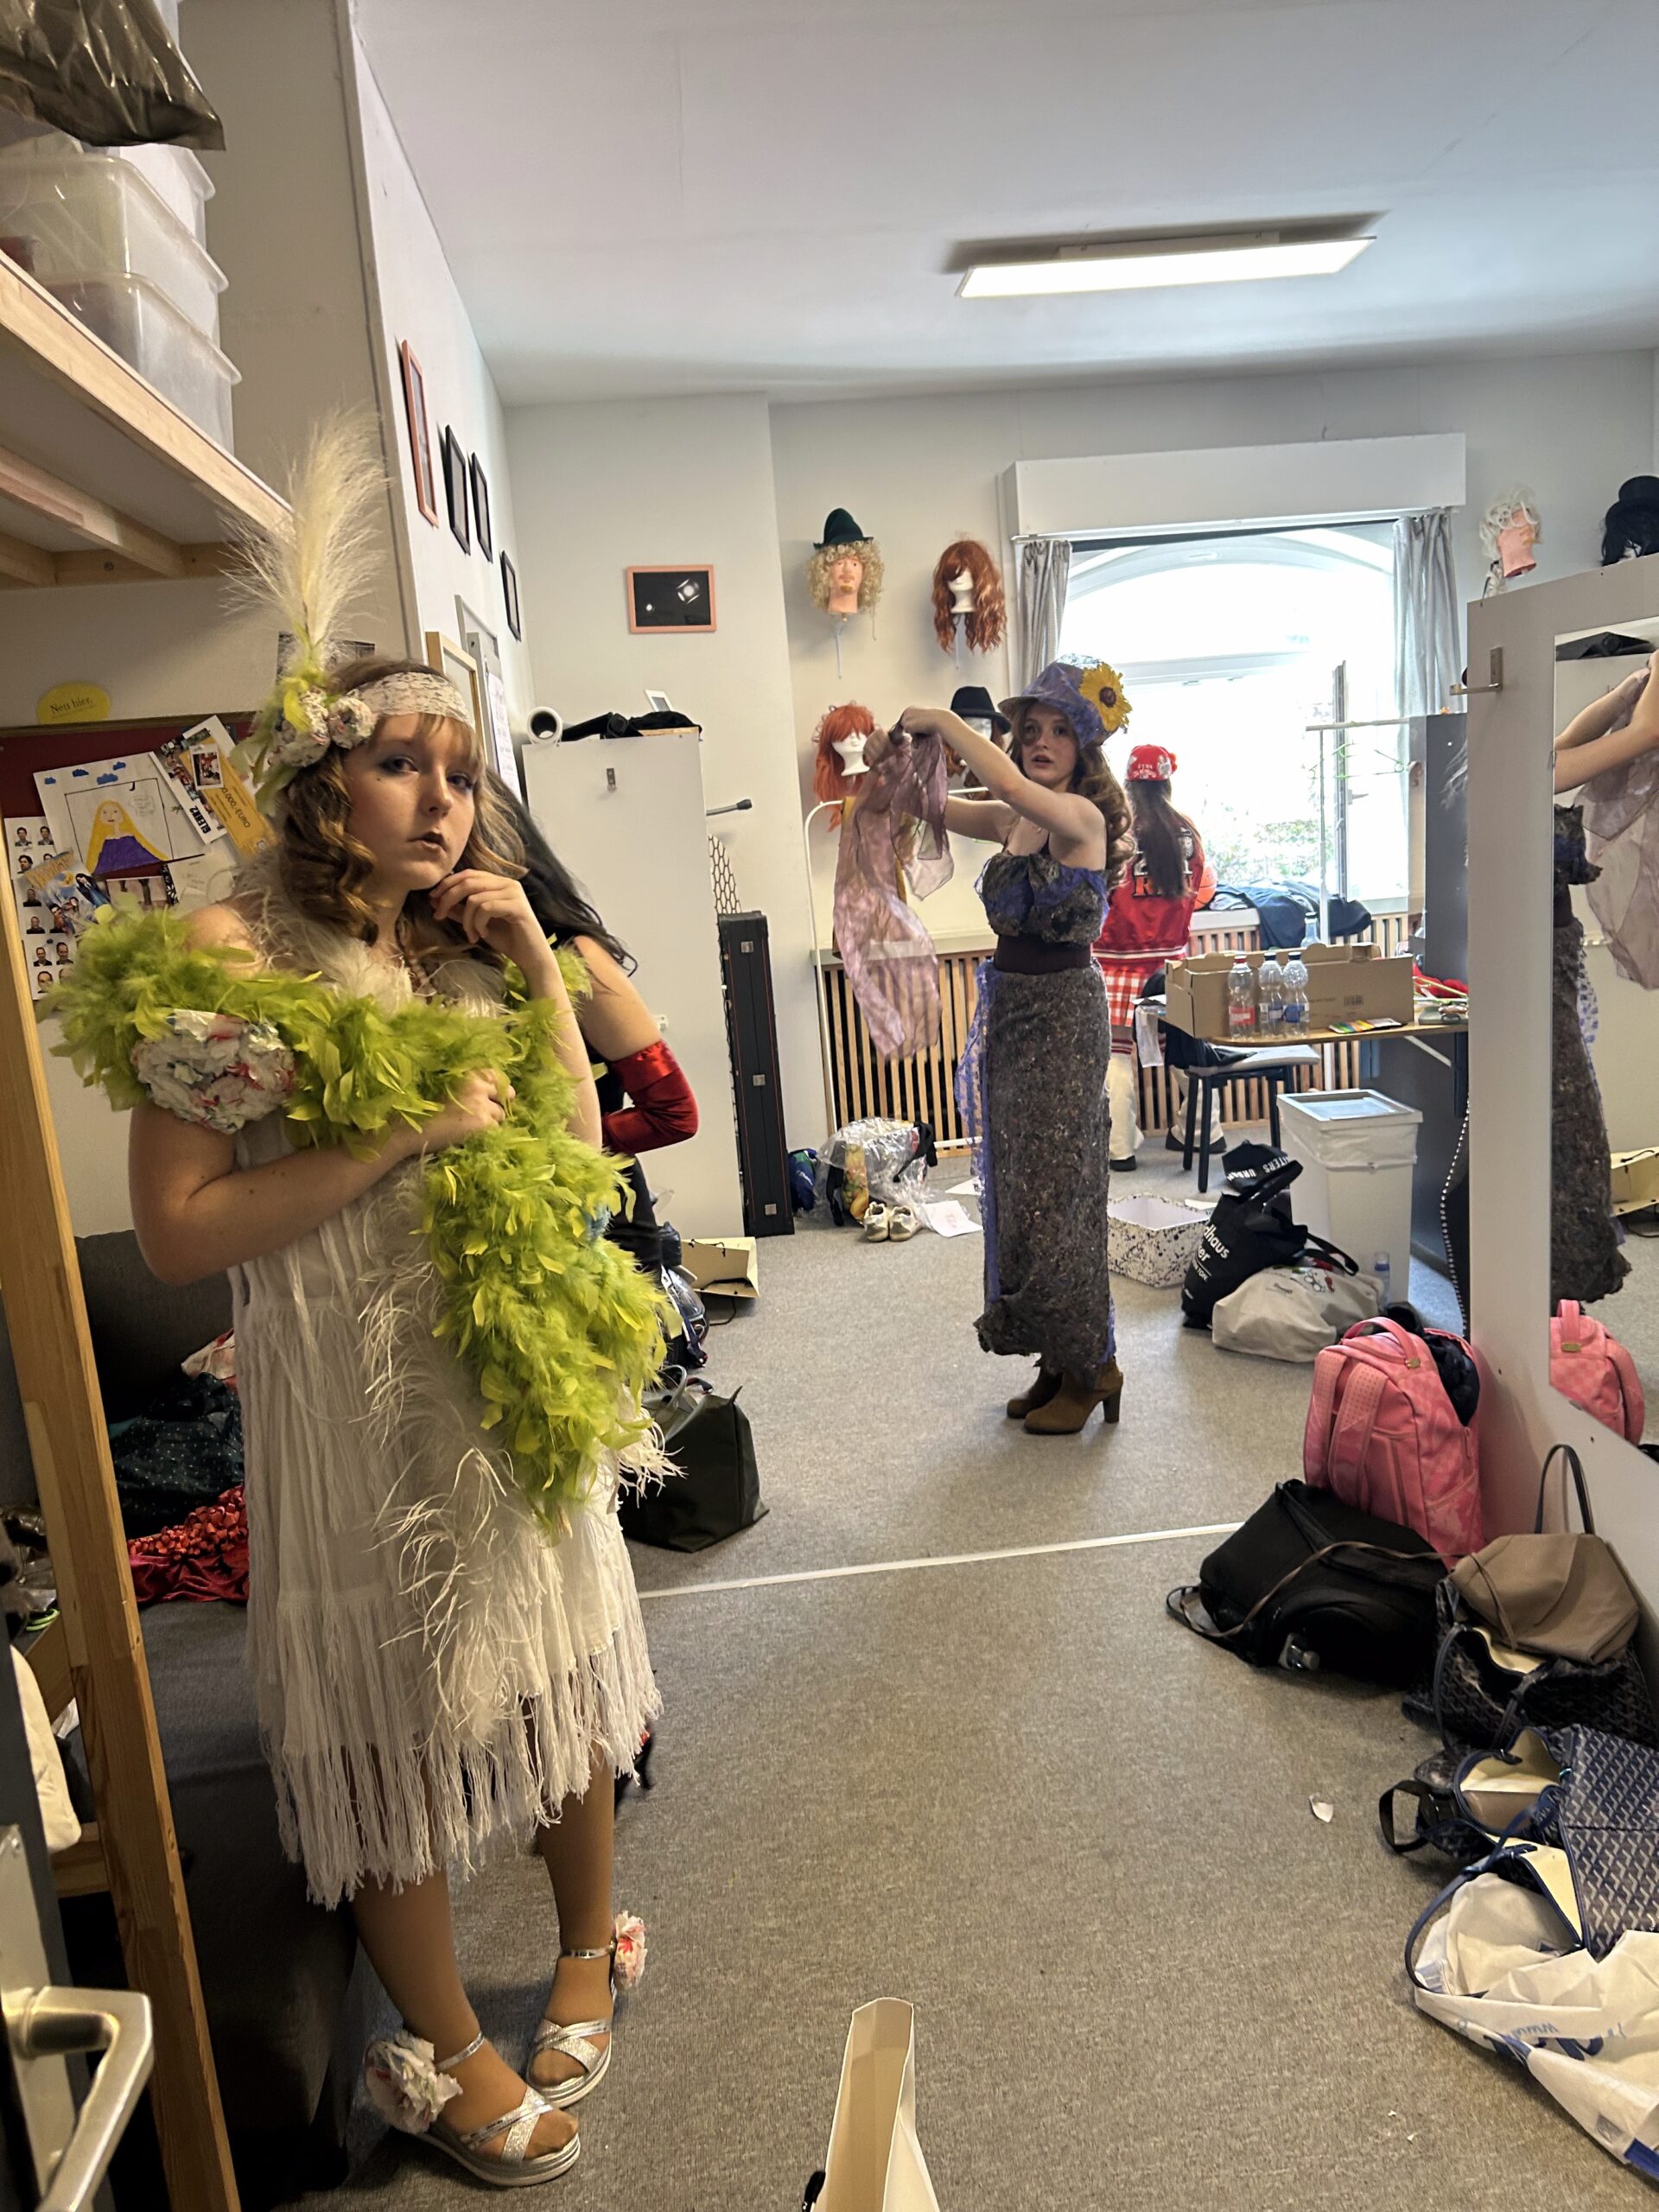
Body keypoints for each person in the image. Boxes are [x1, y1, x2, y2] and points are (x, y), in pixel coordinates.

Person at [59, 418, 664, 2190]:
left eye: (457, 774)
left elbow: (577, 1142)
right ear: (317, 785)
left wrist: (534, 951)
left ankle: (585, 1949)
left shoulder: (458, 940)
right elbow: (179, 1232)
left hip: (509, 1370)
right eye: (401, 766)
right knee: (386, 1722)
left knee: (562, 1669)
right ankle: (447, 2045)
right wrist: (395, 1133)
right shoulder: (229, 960)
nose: (440, 800)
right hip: (347, 1399)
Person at [883, 659, 1132, 1435]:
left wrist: (946, 722)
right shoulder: (1014, 819)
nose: (1041, 741)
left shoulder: (1077, 818)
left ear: (1084, 746)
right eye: (1030, 730)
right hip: (1013, 1013)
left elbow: (1014, 788)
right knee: (1022, 1191)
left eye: (1059, 730)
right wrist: (893, 766)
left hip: (1063, 1016)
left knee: (1064, 1192)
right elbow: (933, 805)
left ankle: (1091, 1365)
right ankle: (1056, 1357)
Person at [493, 778, 698, 1274]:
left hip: (604, 1220)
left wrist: (554, 1144)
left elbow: (674, 1114)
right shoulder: (455, 967)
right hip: (512, 1223)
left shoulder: (574, 956)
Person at [1092, 744, 1216, 1169]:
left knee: (1115, 1055)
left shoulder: (1115, 830)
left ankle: (1120, 1147)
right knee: (1185, 1048)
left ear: (1127, 782)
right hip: (1172, 962)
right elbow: (1199, 892)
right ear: (1167, 783)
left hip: (1116, 960)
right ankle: (1203, 1131)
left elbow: (1098, 892)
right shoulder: (1188, 833)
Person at [1554, 650, 1659, 791]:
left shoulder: (1530, 762)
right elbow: (1647, 732)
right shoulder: (1533, 773)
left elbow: (1569, 741)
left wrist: (1625, 692)